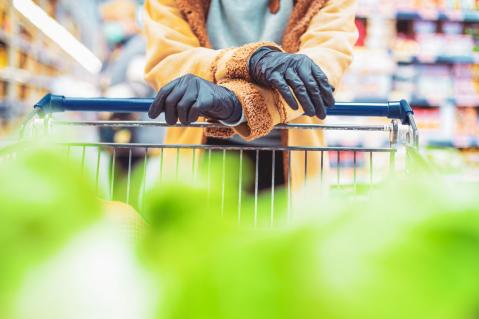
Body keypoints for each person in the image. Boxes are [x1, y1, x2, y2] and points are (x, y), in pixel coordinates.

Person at [143, 0, 358, 191]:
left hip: (290, 161)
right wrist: (249, 61)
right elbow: (168, 60)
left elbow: (322, 68)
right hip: (199, 151)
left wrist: (237, 102)